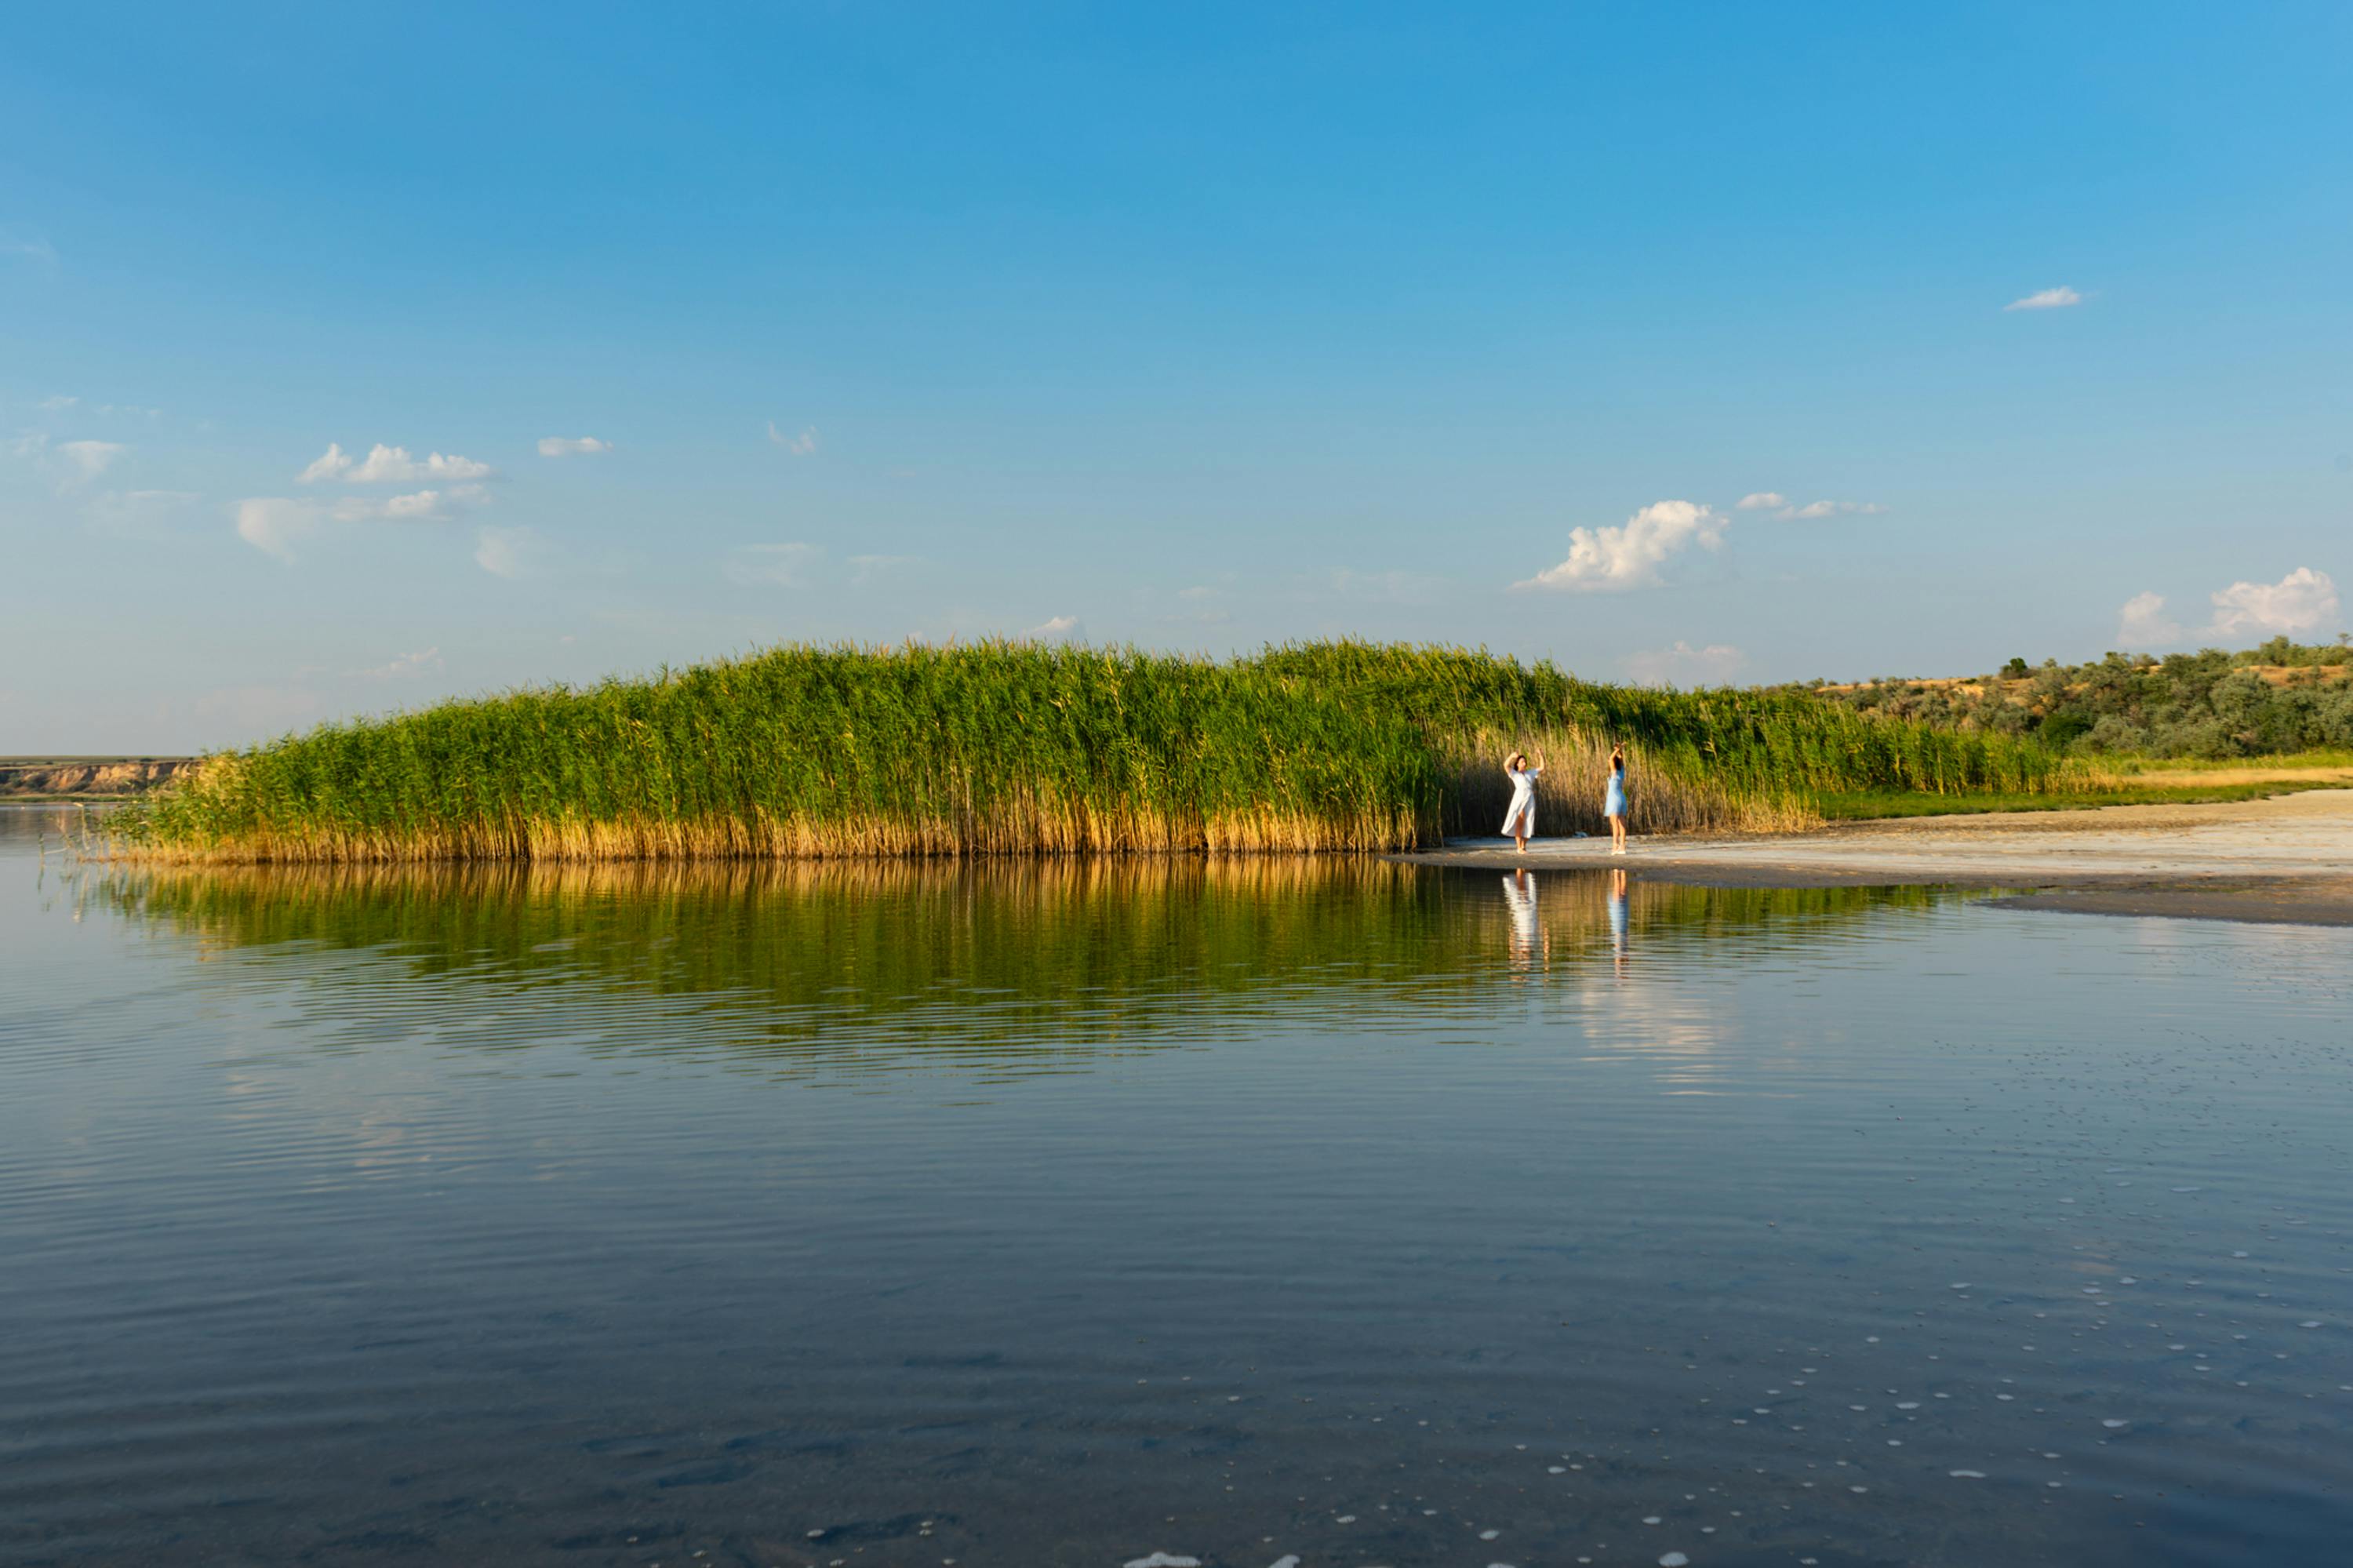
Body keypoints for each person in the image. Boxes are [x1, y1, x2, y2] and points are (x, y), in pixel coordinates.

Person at [1501, 749, 1545, 853]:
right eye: (1522, 762)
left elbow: (1542, 768)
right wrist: (1512, 756)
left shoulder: (1530, 773)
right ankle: (1519, 848)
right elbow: (1506, 765)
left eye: (1525, 761)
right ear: (1517, 764)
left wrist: (1541, 756)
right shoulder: (1514, 773)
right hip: (1519, 798)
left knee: (1529, 821)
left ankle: (1523, 846)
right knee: (1520, 821)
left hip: (1530, 798)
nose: (1524, 763)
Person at [1604, 742, 1630, 854]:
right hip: (1621, 797)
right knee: (1622, 823)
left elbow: (1611, 758)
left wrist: (1618, 749)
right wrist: (1619, 750)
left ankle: (1615, 847)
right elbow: (1621, 758)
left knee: (1614, 823)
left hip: (1614, 798)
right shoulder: (1622, 771)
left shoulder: (1614, 771)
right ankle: (1623, 847)